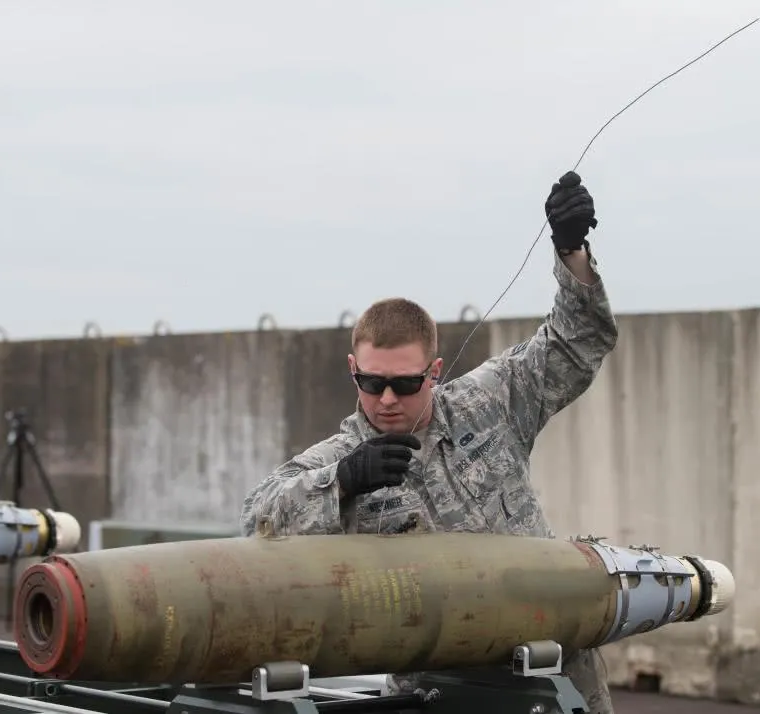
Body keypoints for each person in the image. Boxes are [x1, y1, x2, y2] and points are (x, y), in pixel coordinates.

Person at [239, 171, 619, 713]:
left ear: (434, 371)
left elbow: (578, 343)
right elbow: (256, 518)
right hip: (439, 691)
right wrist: (342, 483)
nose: (387, 398)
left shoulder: (491, 401)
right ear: (353, 371)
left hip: (552, 674)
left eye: (406, 382)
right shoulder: (340, 459)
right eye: (372, 383)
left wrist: (572, 252)